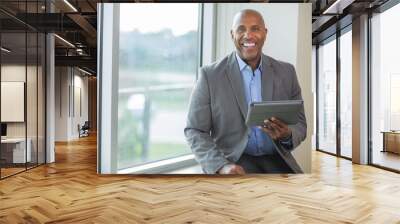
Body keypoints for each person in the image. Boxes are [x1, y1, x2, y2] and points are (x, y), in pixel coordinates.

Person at [184, 9, 306, 174]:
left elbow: (300, 124)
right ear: (232, 34)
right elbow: (195, 130)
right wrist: (221, 166)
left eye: (255, 28)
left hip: (278, 162)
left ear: (265, 33)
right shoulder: (209, 76)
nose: (248, 35)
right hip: (232, 162)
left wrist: (287, 135)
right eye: (241, 29)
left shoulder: (287, 72)